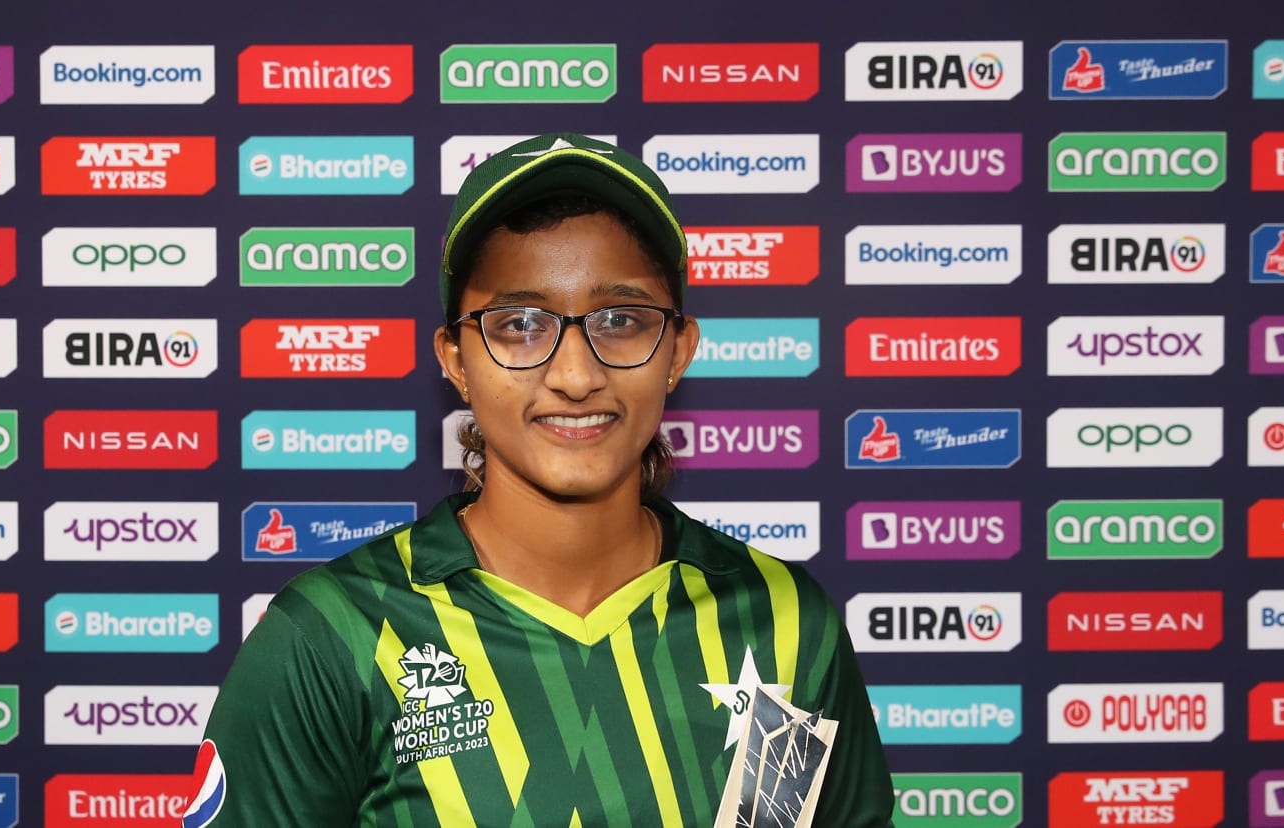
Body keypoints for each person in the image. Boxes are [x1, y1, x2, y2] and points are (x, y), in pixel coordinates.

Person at [187, 133, 892, 827]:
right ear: (456, 359)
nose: (576, 375)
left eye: (621, 319)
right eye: (520, 322)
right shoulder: (330, 637)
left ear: (677, 352)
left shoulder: (784, 624)